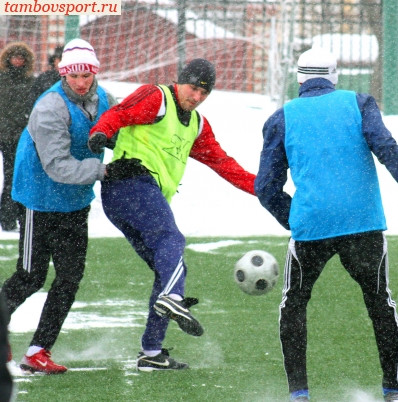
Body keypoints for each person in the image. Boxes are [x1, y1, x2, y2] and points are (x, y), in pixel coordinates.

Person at [254, 47, 398, 402]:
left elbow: (265, 187)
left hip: (312, 227)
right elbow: (389, 150)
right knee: (379, 303)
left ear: (299, 78)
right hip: (363, 223)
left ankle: (299, 394)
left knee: (293, 305)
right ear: (334, 76)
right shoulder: (359, 104)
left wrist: (293, 216)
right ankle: (393, 391)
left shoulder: (282, 117)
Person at [87, 58, 256, 371]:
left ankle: (151, 352)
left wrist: (262, 189)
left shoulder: (197, 124)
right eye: (193, 88)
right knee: (171, 239)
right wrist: (100, 132)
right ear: (181, 81)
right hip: (128, 183)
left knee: (170, 268)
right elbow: (118, 114)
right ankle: (173, 299)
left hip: (140, 198)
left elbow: (223, 163)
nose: (197, 96)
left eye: (205, 92)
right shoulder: (156, 98)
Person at [0, 38, 117, 374]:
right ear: (63, 74)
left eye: (87, 75)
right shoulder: (50, 107)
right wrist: (106, 170)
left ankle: (38, 351)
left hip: (75, 201)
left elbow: (118, 128)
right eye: (74, 75)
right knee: (30, 275)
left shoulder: (104, 97)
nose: (81, 82)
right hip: (39, 198)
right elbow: (58, 166)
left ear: (94, 73)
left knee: (69, 277)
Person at [0, 42, 35, 232]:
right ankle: (7, 217)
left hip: (18, 136)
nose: (18, 61)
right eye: (15, 57)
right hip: (5, 133)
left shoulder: (30, 81)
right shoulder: (2, 79)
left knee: (14, 176)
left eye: (22, 58)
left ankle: (10, 217)